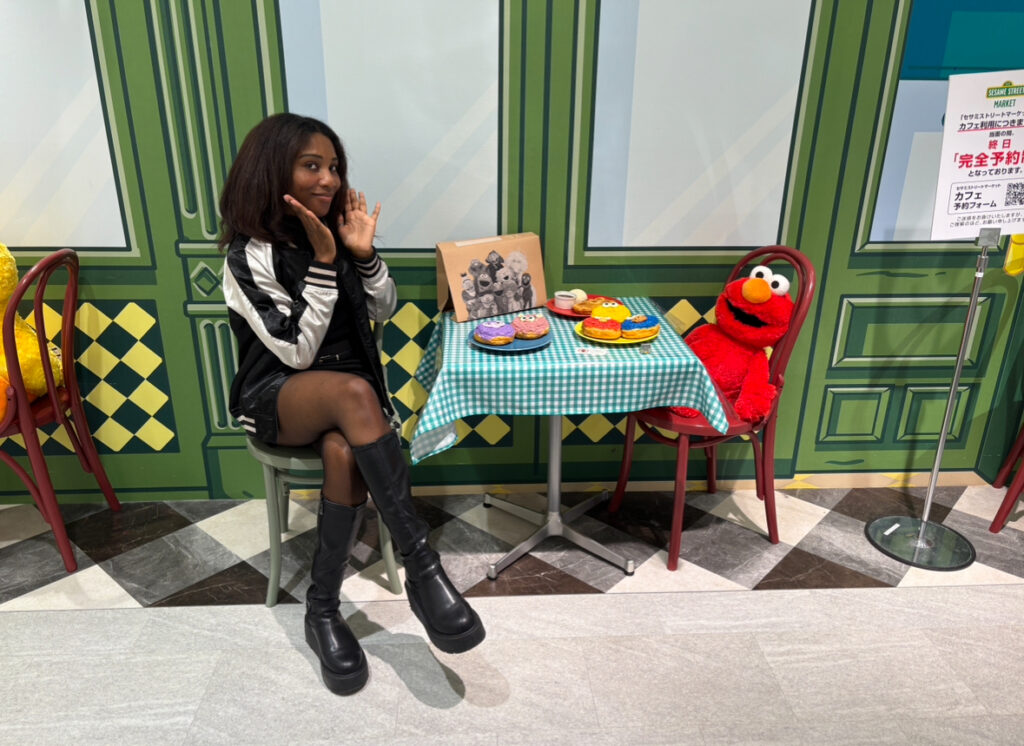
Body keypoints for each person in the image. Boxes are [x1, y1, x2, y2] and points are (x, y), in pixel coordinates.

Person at [219, 113, 485, 695]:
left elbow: (383, 308)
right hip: (278, 398)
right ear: (271, 171)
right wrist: (320, 261)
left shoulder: (339, 231)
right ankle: (422, 564)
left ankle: (321, 610)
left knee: (344, 450)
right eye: (311, 165)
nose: (329, 179)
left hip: (347, 404)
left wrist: (360, 255)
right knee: (353, 391)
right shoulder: (249, 255)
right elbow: (295, 351)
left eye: (334, 166)